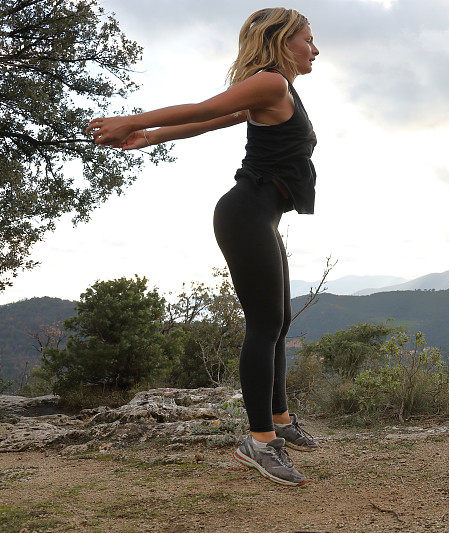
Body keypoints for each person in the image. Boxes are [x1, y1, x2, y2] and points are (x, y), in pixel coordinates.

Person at [86, 7, 321, 487]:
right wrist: (131, 118)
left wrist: (152, 136)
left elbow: (214, 120)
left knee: (279, 320)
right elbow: (204, 107)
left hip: (261, 215)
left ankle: (279, 419)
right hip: (245, 214)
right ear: (282, 41)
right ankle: (259, 442)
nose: (316, 49)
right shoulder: (271, 82)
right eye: (309, 39)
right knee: (264, 325)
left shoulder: (277, 89)